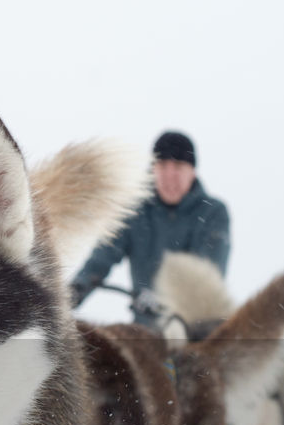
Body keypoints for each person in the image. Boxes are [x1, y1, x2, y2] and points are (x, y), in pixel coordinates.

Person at [70, 131, 231, 326]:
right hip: (146, 334)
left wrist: (162, 301)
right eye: (162, 166)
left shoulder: (213, 213)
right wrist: (75, 291)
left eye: (178, 166)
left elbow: (208, 275)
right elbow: (102, 258)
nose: (170, 176)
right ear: (152, 169)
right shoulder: (134, 210)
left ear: (193, 171)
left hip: (196, 332)